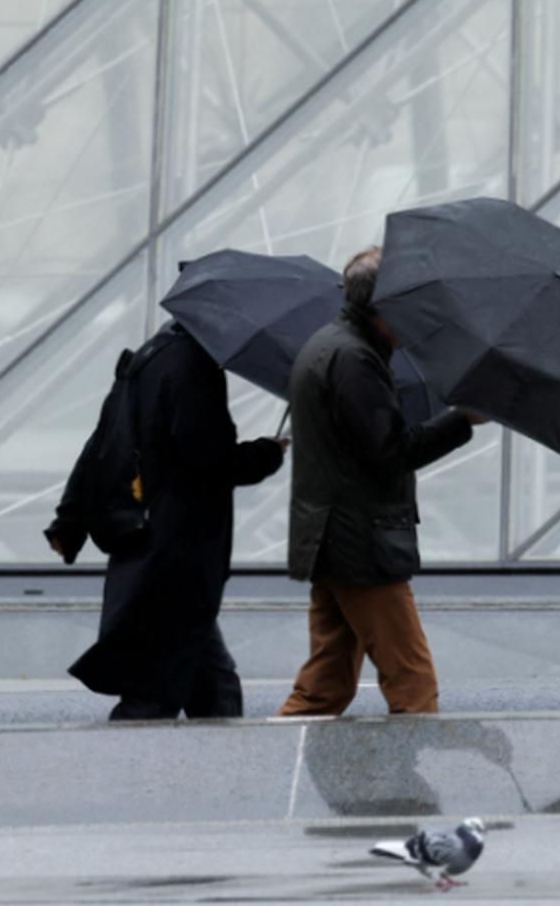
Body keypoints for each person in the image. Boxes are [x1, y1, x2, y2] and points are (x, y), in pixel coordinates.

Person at [277, 246, 486, 717]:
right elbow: (392, 452)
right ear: (384, 307)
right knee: (413, 682)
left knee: (324, 686)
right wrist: (463, 420)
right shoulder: (354, 360)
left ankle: (267, 779)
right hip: (360, 544)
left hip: (331, 537)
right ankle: (402, 793)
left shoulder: (333, 346)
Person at [46, 322, 286, 720]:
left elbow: (104, 440)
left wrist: (69, 520)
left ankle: (216, 773)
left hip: (149, 542)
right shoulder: (194, 366)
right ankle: (160, 773)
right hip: (180, 546)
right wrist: (266, 454)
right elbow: (208, 459)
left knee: (209, 680)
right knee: (156, 693)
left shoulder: (150, 355)